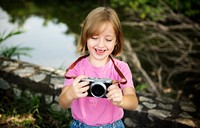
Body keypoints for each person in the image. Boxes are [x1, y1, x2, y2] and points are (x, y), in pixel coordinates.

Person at [58, 7, 138, 128]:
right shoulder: (76, 68)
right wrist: (70, 94)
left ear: (116, 41)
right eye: (94, 38)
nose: (101, 45)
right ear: (85, 37)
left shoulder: (121, 68)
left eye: (108, 39)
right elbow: (63, 103)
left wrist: (121, 100)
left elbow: (133, 103)